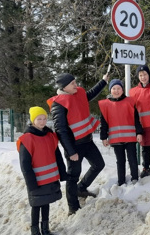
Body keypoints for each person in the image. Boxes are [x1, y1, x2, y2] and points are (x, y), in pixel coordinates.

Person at [47, 73, 109, 215]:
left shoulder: (78, 93)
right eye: (72, 84)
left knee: (99, 164)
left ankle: (81, 188)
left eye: (75, 82)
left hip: (87, 141)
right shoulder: (58, 104)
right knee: (72, 176)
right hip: (74, 147)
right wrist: (70, 151)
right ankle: (73, 208)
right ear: (64, 87)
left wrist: (103, 81)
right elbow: (61, 131)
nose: (76, 85)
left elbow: (90, 94)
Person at [17, 106, 67, 235]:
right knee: (36, 205)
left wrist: (62, 173)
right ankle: (35, 231)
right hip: (36, 181)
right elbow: (25, 164)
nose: (42, 121)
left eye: (44, 118)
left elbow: (57, 156)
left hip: (50, 179)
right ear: (33, 120)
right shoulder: (27, 139)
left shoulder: (50, 136)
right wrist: (31, 183)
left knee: (46, 203)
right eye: (39, 119)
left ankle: (45, 229)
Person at [99, 79, 143, 186]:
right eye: (114, 88)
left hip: (130, 138)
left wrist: (139, 132)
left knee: (132, 158)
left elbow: (136, 119)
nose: (116, 91)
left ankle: (135, 178)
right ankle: (121, 180)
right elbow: (103, 123)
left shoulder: (129, 102)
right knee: (120, 161)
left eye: (119, 88)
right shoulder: (105, 105)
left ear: (122, 90)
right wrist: (103, 137)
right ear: (110, 90)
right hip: (116, 139)